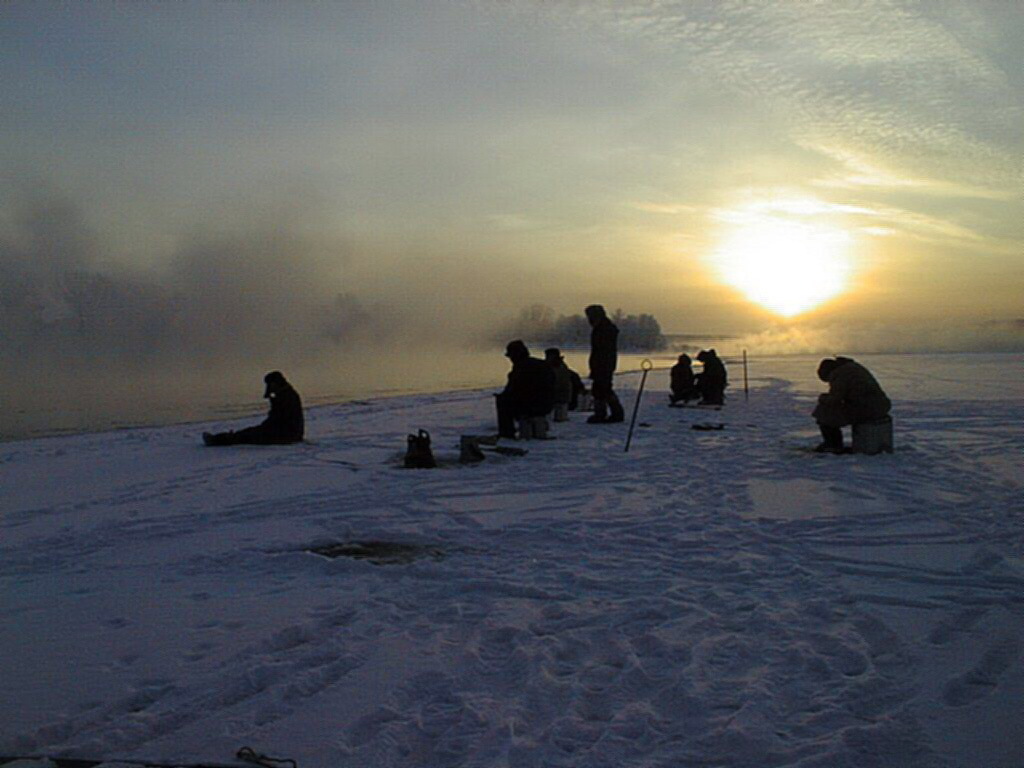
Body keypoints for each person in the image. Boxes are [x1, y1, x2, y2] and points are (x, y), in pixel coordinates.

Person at [812, 357, 891, 453]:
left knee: (823, 412)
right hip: (879, 406)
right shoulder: (852, 367)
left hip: (867, 409)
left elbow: (834, 399)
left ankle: (833, 445)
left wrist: (822, 398)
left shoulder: (840, 374)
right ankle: (833, 444)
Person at [203, 371, 304, 446]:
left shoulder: (286, 396)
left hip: (286, 434)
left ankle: (218, 440)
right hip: (288, 432)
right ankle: (220, 439)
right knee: (249, 433)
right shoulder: (286, 394)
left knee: (247, 436)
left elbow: (278, 418)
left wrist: (265, 427)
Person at [495, 340, 556, 439]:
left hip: (531, 404)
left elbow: (513, 388)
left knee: (503, 401)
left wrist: (503, 396)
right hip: (547, 403)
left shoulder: (521, 368)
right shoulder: (540, 364)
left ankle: (506, 433)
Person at [585, 304, 625, 423]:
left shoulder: (604, 330)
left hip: (603, 364)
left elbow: (602, 351)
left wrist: (597, 366)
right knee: (602, 389)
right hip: (602, 364)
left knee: (603, 389)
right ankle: (606, 413)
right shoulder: (603, 328)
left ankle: (607, 413)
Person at [544, 347, 573, 422]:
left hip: (559, 395)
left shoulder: (557, 367)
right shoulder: (561, 365)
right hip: (558, 395)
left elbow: (559, 383)